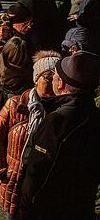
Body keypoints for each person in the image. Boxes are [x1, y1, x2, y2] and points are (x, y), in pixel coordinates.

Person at [18, 51, 100, 220]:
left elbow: (35, 174)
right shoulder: (95, 116)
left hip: (48, 210)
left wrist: (23, 212)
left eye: (54, 75)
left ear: (61, 83)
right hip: (81, 208)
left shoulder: (57, 120)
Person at [0, 50, 59, 219]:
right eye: (47, 79)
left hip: (41, 184)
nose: (51, 85)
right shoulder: (15, 105)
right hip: (14, 179)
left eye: (56, 80)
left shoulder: (59, 112)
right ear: (36, 79)